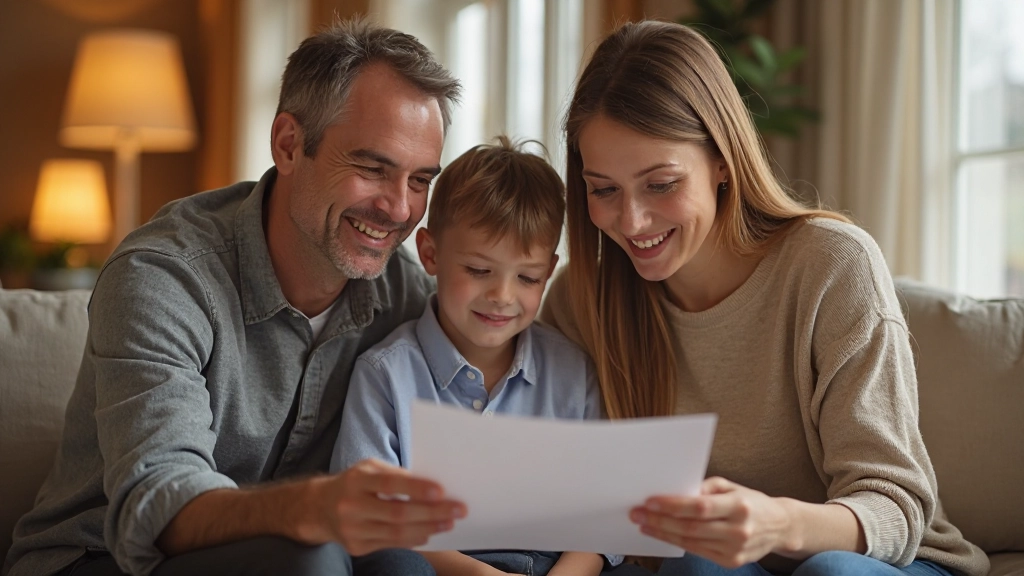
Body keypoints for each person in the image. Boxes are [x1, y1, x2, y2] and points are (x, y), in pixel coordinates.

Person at [4, 20, 469, 576]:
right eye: (373, 168)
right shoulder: (163, 276)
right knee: (312, 560)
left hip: (287, 557)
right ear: (289, 145)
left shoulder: (404, 294)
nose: (398, 209)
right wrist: (316, 505)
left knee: (400, 565)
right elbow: (158, 505)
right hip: (99, 558)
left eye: (420, 181)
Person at [541, 20, 990, 576]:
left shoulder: (831, 265)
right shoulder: (580, 301)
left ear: (722, 162)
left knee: (830, 573)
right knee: (695, 564)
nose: (631, 221)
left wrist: (775, 523)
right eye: (604, 189)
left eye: (661, 184)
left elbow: (896, 507)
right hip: (710, 570)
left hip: (874, 562)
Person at [333, 136, 620, 576]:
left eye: (527, 277)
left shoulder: (572, 372)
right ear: (430, 253)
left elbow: (603, 516)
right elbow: (371, 519)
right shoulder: (386, 374)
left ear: (550, 270)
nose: (502, 296)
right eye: (479, 270)